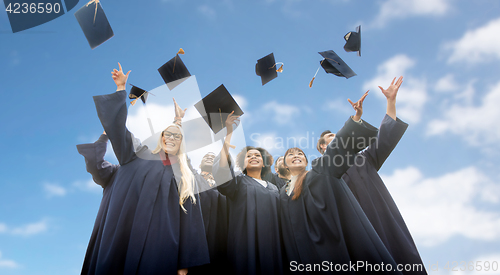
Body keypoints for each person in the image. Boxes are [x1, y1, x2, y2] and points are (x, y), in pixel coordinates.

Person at [81, 63, 209, 275]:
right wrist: (120, 89)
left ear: (182, 143)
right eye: (167, 133)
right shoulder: (137, 154)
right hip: (122, 236)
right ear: (160, 137)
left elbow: (190, 223)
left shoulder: (185, 176)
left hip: (159, 247)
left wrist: (183, 267)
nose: (171, 137)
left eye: (177, 136)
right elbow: (118, 130)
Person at [279, 91, 404, 274]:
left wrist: (357, 118)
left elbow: (376, 140)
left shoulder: (351, 162)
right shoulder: (288, 190)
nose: (296, 156)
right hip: (325, 242)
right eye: (290, 154)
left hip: (369, 224)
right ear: (322, 146)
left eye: (300, 153)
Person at [316, 77, 427, 274]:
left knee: (401, 257)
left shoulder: (363, 158)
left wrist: (390, 102)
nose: (339, 137)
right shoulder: (321, 171)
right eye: (332, 138)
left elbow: (386, 136)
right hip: (354, 226)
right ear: (323, 148)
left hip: (383, 218)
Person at [212, 112, 284, 275]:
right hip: (245, 243)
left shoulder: (273, 188)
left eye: (257, 155)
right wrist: (228, 134)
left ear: (263, 162)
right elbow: (223, 172)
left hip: (273, 246)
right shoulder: (238, 182)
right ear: (242, 162)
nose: (253, 157)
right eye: (249, 155)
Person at [189, 152, 229, 275]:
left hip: (219, 239)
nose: (209, 158)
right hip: (194, 234)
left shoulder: (226, 185)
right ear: (200, 164)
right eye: (206, 156)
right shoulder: (191, 177)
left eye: (213, 157)